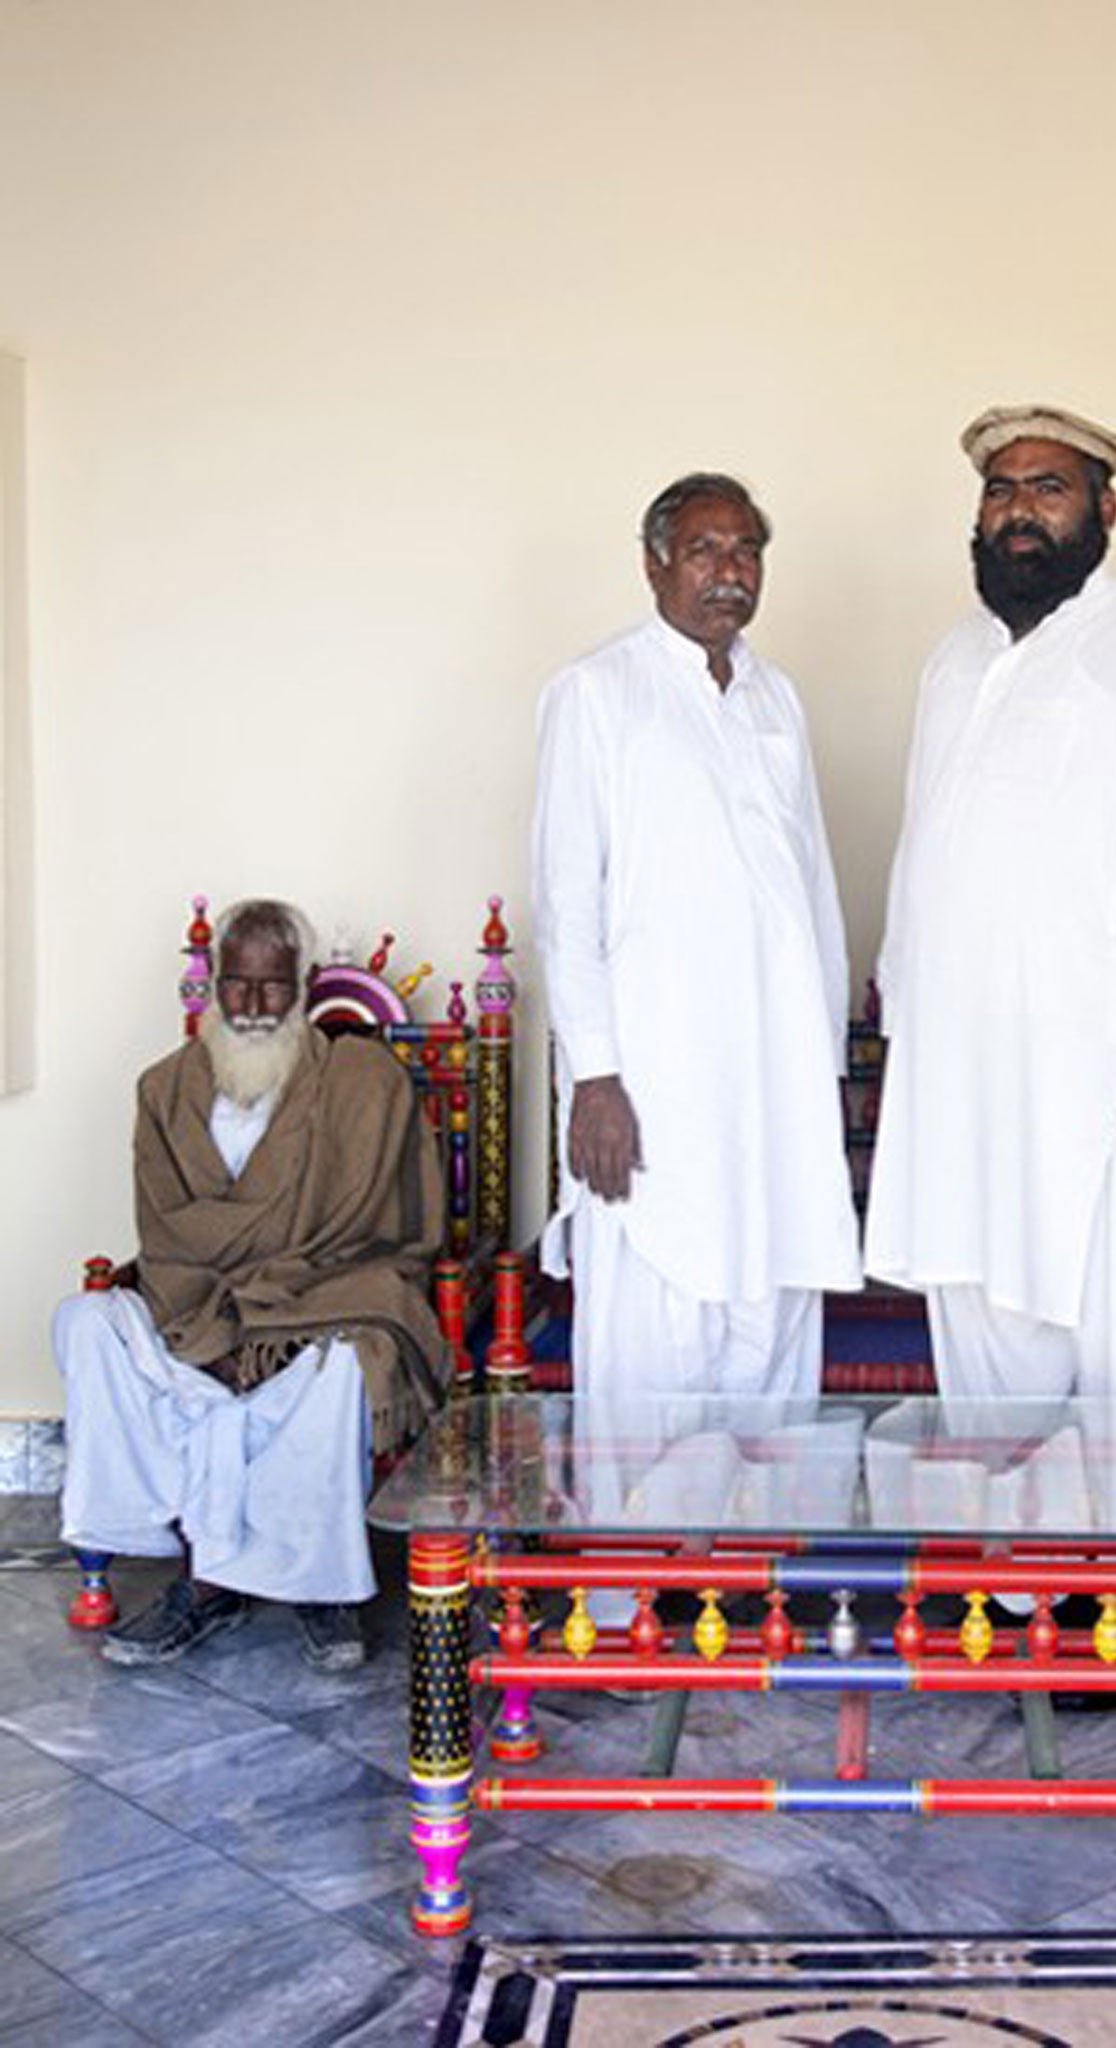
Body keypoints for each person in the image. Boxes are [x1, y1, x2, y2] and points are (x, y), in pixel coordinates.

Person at [865, 403, 1116, 1416]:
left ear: (1105, 508)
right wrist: (901, 1016)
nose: (1019, 512)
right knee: (980, 1310)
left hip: (1108, 1070)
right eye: (1000, 490)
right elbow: (925, 845)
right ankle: (1016, 1576)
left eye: (1048, 488)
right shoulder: (951, 659)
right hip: (963, 1068)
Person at [532, 473, 861, 1500]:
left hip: (773, 1082)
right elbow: (564, 901)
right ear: (654, 562)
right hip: (651, 1085)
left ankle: (750, 1591)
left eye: (748, 550)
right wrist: (595, 1076)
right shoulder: (597, 692)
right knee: (653, 1341)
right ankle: (624, 1601)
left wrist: (829, 1058)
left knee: (768, 1324)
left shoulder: (777, 696)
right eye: (707, 550)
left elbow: (812, 887)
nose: (731, 571)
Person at [54, 898, 448, 1672]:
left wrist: (267, 1317)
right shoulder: (163, 1090)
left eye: (273, 987)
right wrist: (222, 1322)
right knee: (87, 1321)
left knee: (347, 1364)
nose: (255, 1006)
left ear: (302, 987)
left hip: (316, 1313)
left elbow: (388, 1231)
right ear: (213, 984)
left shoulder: (362, 1084)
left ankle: (318, 1590)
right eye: (238, 984)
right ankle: (204, 1579)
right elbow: (165, 1232)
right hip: (192, 1309)